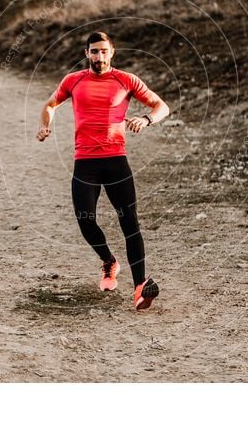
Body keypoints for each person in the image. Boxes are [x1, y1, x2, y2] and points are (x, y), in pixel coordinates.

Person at [37, 31, 170, 310]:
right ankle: (109, 261)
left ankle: (140, 286)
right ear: (86, 54)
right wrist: (45, 124)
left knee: (129, 223)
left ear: (112, 52)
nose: (99, 57)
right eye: (94, 52)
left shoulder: (126, 80)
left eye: (104, 51)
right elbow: (50, 105)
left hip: (115, 160)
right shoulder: (73, 81)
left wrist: (146, 119)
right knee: (85, 220)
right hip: (85, 162)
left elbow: (162, 106)